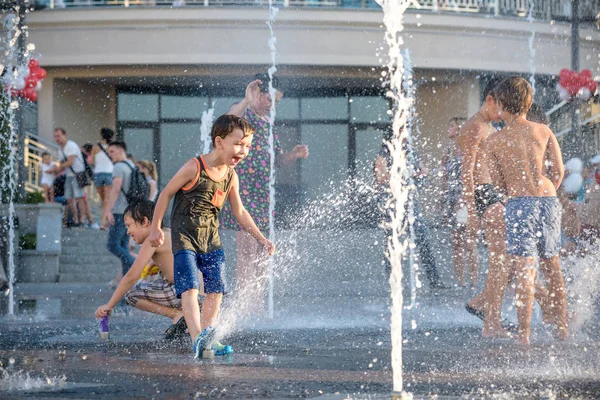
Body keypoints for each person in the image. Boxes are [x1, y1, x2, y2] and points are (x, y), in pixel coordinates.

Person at [149, 114, 275, 357]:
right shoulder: (194, 167)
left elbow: (239, 211)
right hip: (185, 238)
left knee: (217, 288)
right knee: (191, 288)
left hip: (211, 239)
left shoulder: (230, 175)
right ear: (219, 142)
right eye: (239, 144)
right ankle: (196, 338)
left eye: (248, 146)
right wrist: (156, 227)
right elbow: (165, 194)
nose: (244, 151)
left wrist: (261, 238)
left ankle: (208, 335)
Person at [485, 76, 567, 345]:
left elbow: (498, 183)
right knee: (552, 265)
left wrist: (518, 194)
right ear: (528, 102)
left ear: (499, 105)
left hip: (520, 204)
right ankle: (562, 326)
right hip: (547, 199)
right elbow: (559, 170)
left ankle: (524, 334)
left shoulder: (495, 142)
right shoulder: (543, 130)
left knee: (525, 270)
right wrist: (547, 190)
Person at [221, 75, 308, 314]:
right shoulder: (244, 113)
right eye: (270, 99)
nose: (272, 105)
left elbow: (277, 160)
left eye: (276, 101)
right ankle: (244, 305)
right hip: (244, 191)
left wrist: (293, 155)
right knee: (247, 249)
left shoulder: (267, 121)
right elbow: (228, 120)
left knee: (263, 248)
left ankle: (256, 303)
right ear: (258, 93)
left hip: (263, 194)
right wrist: (246, 101)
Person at [95, 200, 202, 340]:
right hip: (198, 292)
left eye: (129, 226)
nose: (127, 232)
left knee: (131, 294)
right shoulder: (168, 232)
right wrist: (155, 264)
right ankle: (188, 317)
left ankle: (178, 315)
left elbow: (131, 276)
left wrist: (110, 305)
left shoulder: (152, 240)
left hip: (183, 292)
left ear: (145, 222)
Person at [374, 133, 445, 288]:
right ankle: (392, 281)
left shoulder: (410, 150)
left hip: (410, 202)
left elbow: (422, 169)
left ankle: (434, 280)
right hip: (391, 202)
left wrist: (421, 174)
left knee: (423, 237)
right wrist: (402, 178)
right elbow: (380, 176)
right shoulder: (386, 150)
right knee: (392, 240)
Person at [440, 117, 469, 287]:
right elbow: (444, 176)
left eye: (451, 126)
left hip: (464, 199)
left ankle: (472, 281)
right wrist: (441, 198)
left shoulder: (466, 150)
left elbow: (470, 175)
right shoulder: (448, 151)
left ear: (459, 129)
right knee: (456, 242)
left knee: (469, 242)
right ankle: (460, 281)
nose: (448, 129)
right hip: (451, 199)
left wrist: (464, 197)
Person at [103, 141, 136, 287]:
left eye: (112, 151)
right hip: (131, 212)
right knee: (123, 245)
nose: (110, 155)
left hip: (119, 212)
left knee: (112, 245)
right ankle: (127, 282)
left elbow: (116, 189)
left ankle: (135, 263)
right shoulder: (132, 166)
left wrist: (108, 210)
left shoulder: (118, 167)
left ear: (121, 150)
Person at [53, 128, 88, 228]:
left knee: (79, 198)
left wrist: (58, 168)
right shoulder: (60, 148)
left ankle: (82, 220)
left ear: (65, 135)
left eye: (58, 136)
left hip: (77, 174)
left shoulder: (71, 145)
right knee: (69, 199)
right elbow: (62, 164)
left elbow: (70, 161)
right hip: (69, 175)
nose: (57, 138)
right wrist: (55, 172)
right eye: (55, 136)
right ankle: (75, 220)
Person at [90, 128, 115, 228]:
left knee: (103, 200)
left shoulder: (96, 147)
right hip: (109, 174)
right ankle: (103, 222)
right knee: (107, 201)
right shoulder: (112, 147)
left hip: (98, 174)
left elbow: (91, 161)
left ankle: (104, 221)